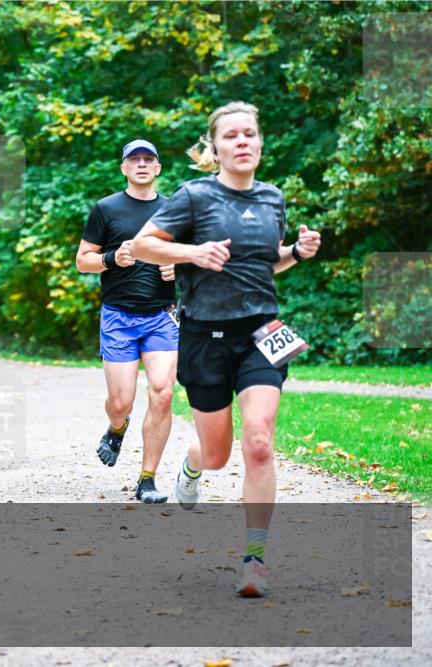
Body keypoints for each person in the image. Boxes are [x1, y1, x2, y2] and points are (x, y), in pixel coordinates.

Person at [131, 101, 321, 596]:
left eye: (250, 134)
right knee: (217, 454)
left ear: (260, 143)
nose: (242, 142)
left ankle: (254, 559)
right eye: (231, 135)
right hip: (204, 336)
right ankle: (192, 466)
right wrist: (192, 252)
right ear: (214, 149)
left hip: (262, 332)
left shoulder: (272, 198)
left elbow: (264, 264)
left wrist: (295, 253)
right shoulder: (194, 196)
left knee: (259, 440)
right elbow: (143, 246)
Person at [75, 139, 178, 504]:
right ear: (123, 168)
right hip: (118, 316)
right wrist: (110, 258)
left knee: (163, 393)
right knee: (121, 402)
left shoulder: (173, 210)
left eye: (149, 159)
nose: (142, 164)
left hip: (162, 317)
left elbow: (193, 259)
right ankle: (117, 428)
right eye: (134, 159)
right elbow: (82, 260)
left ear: (158, 168)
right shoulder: (106, 209)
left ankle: (147, 479)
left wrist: (177, 268)